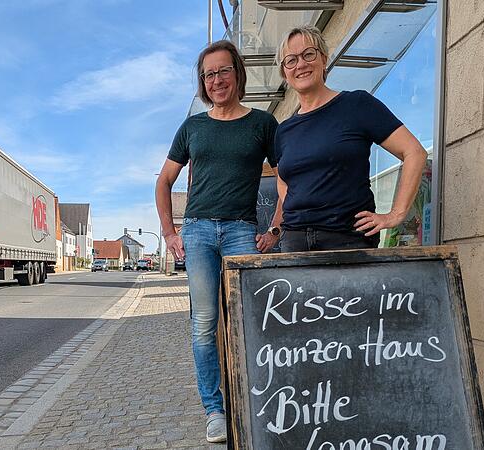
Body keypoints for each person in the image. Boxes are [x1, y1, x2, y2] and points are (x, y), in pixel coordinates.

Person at [155, 40, 279, 443]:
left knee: (250, 319)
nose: (217, 80)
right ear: (202, 82)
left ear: (237, 73)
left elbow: (286, 179)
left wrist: (275, 229)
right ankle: (214, 409)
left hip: (242, 231)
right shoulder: (193, 127)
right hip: (198, 232)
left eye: (223, 71)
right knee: (204, 323)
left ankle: (253, 397)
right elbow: (164, 181)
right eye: (209, 74)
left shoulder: (262, 124)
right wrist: (170, 233)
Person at [270, 26, 428, 252]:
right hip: (295, 241)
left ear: (323, 59)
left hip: (347, 239)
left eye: (308, 54)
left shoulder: (357, 105)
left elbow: (414, 152)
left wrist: (396, 214)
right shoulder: (284, 130)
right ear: (285, 72)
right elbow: (283, 180)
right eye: (291, 60)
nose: (301, 64)